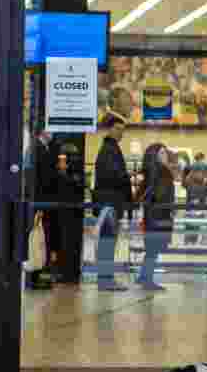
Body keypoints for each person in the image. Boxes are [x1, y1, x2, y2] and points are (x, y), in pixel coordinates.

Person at [92, 114, 132, 291]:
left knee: (108, 241)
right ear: (109, 129)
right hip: (110, 203)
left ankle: (106, 278)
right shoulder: (109, 149)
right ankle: (105, 279)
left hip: (110, 202)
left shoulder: (111, 147)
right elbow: (113, 175)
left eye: (122, 130)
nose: (120, 133)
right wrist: (126, 178)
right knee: (108, 242)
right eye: (117, 129)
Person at [137, 142, 175, 291]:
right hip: (159, 216)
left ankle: (143, 276)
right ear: (155, 156)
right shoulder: (161, 172)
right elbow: (160, 195)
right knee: (153, 249)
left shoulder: (151, 171)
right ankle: (147, 280)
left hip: (152, 215)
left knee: (151, 250)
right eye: (162, 153)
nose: (166, 156)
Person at [26, 129, 59, 289]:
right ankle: (35, 276)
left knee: (41, 240)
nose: (52, 133)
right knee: (37, 240)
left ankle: (40, 275)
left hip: (43, 202)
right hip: (39, 202)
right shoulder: (36, 149)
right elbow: (36, 179)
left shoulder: (44, 148)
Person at [55, 143, 85, 284]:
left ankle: (68, 273)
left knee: (68, 242)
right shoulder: (75, 170)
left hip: (68, 210)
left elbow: (70, 184)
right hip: (71, 210)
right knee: (70, 243)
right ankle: (70, 272)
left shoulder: (68, 171)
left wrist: (62, 173)